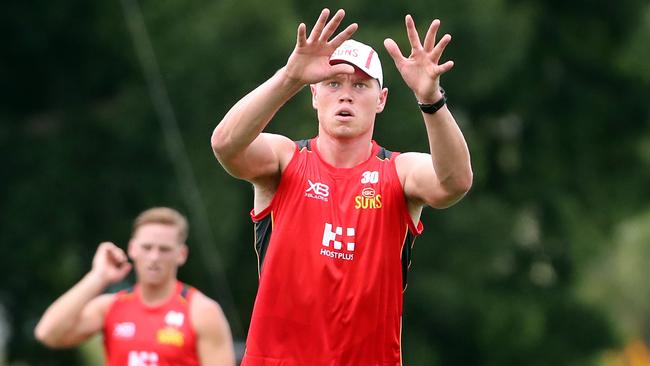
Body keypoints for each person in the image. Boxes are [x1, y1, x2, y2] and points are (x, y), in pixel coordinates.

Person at [211, 7, 472, 365]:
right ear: (315, 95)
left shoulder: (398, 171)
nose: (345, 95)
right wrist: (290, 76)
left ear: (380, 101)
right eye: (333, 83)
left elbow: (455, 182)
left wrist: (431, 100)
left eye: (361, 85)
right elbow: (226, 144)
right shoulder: (286, 160)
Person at [34, 207, 236, 366]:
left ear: (181, 254)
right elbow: (48, 333)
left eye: (164, 249)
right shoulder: (111, 306)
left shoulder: (202, 311)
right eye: (147, 247)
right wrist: (98, 276)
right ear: (133, 249)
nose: (154, 257)